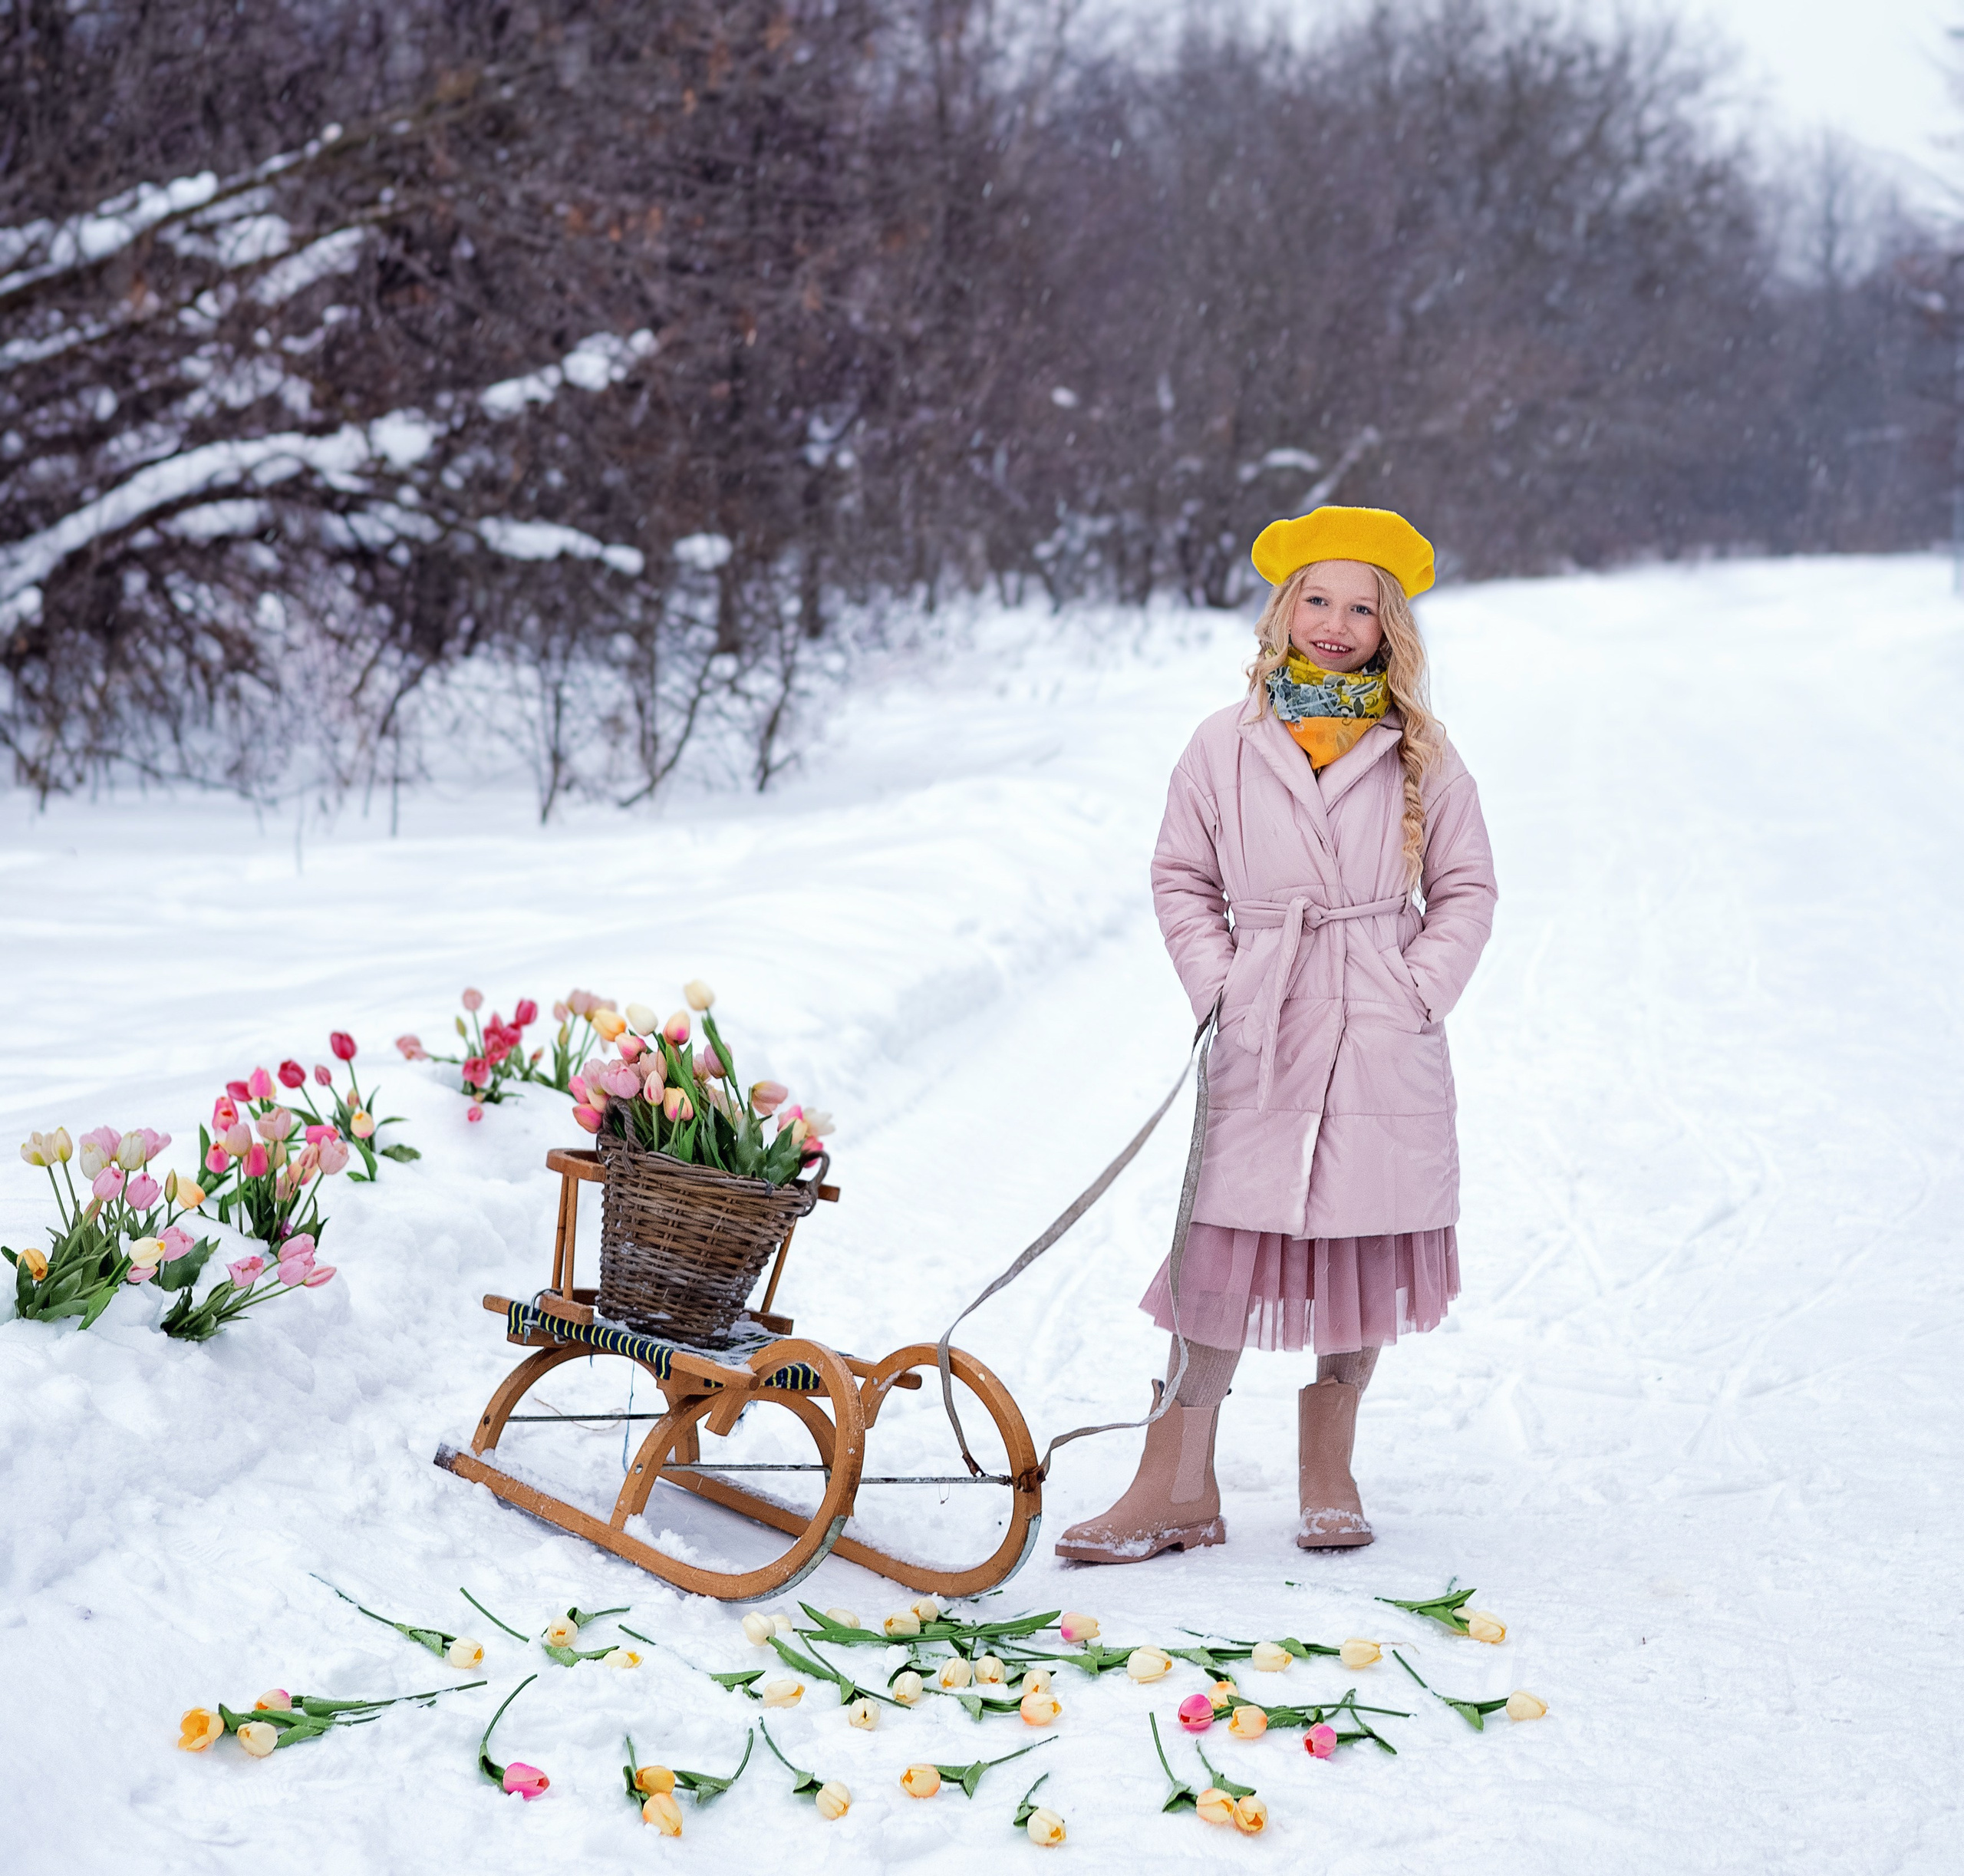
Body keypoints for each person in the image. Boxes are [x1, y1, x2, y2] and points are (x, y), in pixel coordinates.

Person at [1056, 505, 1497, 1561]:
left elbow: (1468, 888)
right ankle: (1176, 1487)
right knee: (1218, 1252)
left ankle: (1329, 1473)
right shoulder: (1224, 743)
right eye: (1318, 601)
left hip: (1380, 1028)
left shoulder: (1423, 753)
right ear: (1284, 610)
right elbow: (1180, 875)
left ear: (1390, 630)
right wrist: (1220, 983)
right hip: (1265, 1020)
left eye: (1361, 609)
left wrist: (1417, 989)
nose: (1335, 625)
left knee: (1361, 1241)